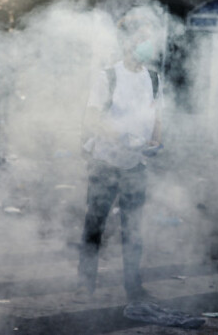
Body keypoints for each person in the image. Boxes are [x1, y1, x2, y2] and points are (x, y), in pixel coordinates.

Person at [77, 18, 163, 302]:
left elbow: (157, 114)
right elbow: (92, 117)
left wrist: (155, 141)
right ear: (128, 43)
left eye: (150, 39)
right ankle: (85, 284)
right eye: (142, 38)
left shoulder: (153, 78)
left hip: (136, 164)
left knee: (134, 228)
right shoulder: (108, 76)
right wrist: (121, 137)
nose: (148, 45)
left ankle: (133, 286)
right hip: (105, 162)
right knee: (95, 224)